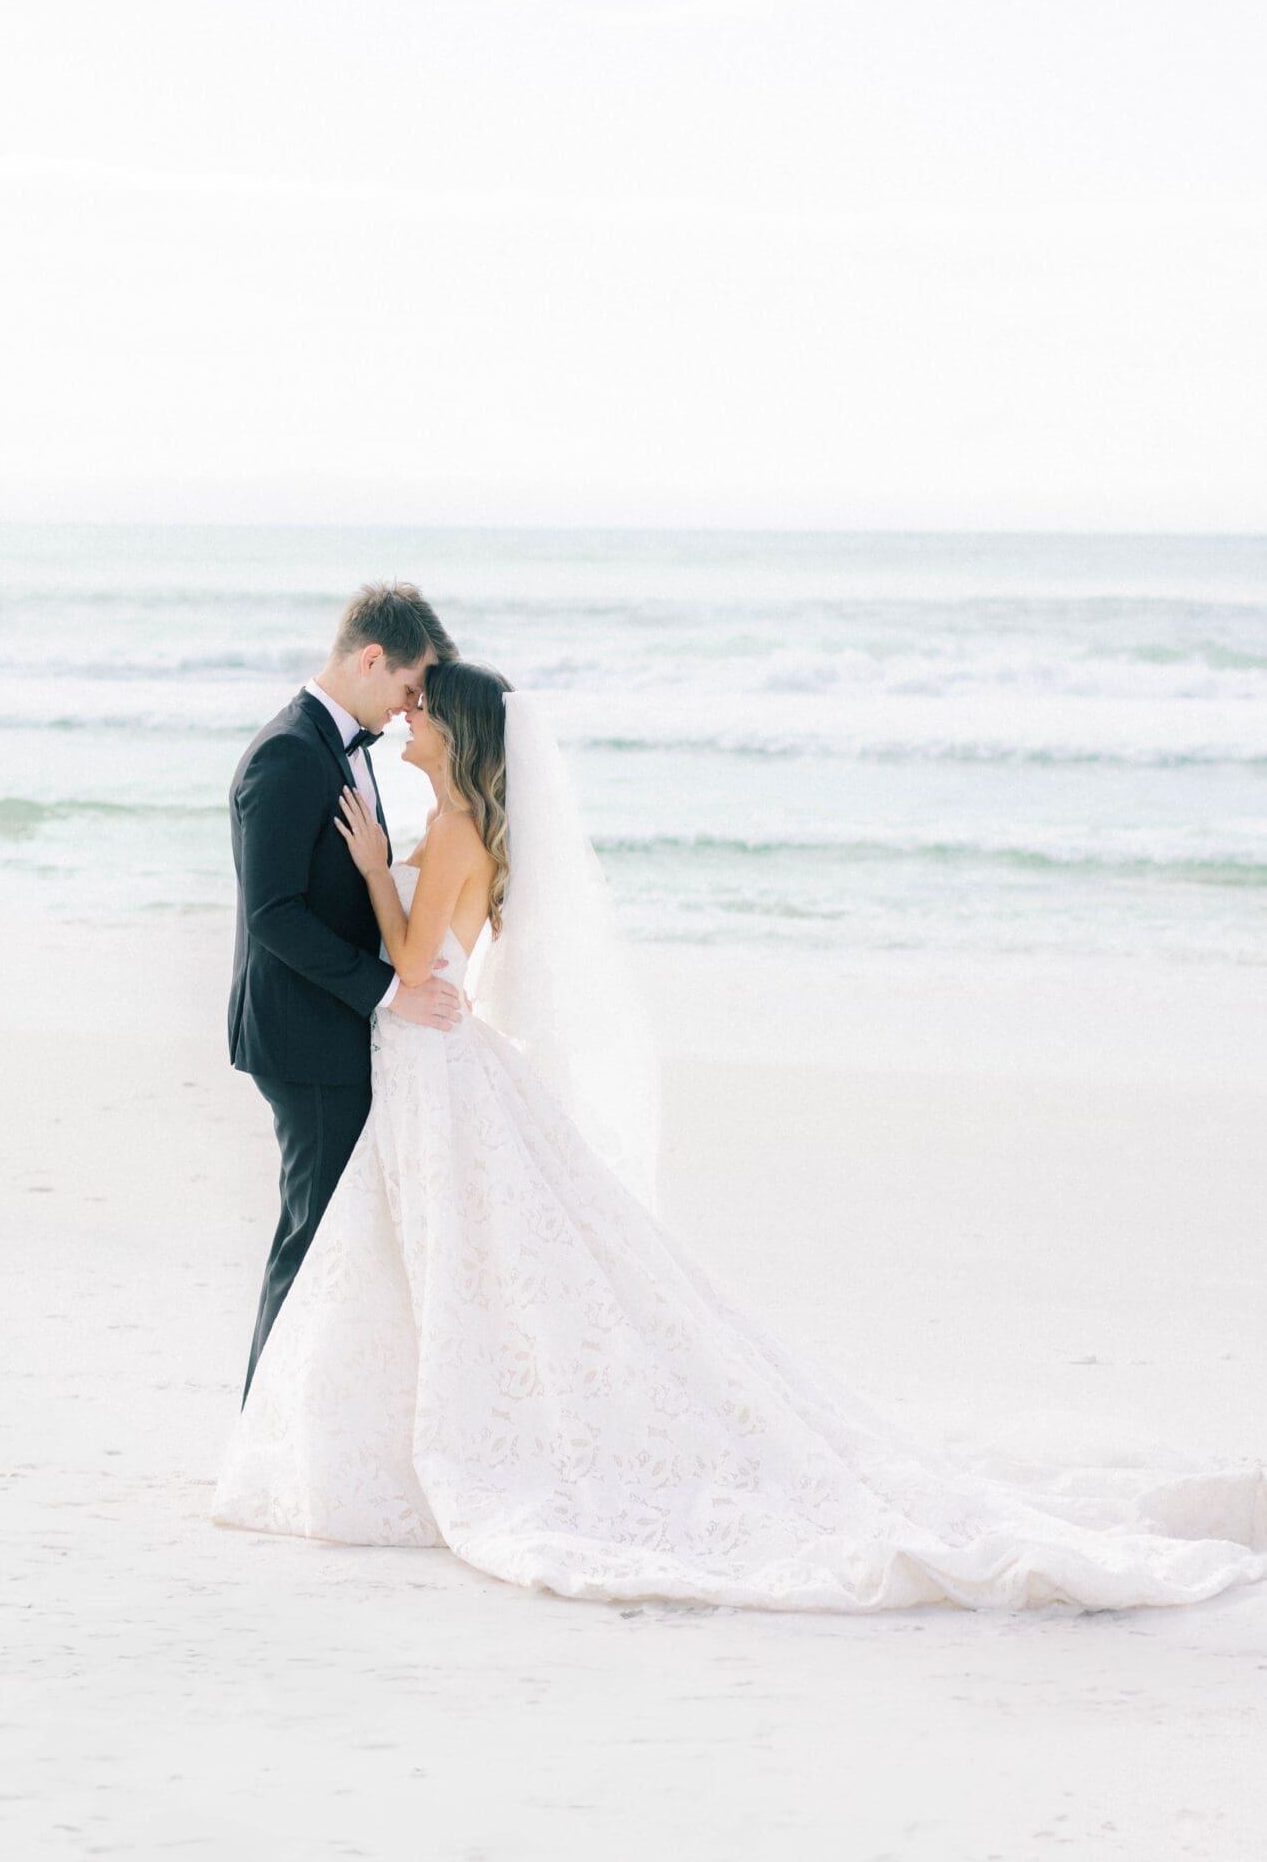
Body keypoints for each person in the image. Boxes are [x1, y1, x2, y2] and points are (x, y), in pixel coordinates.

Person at [214, 659, 1267, 1612]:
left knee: (459, 1258)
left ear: (459, 732)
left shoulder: (446, 833)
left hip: (435, 1058)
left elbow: (411, 968)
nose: (408, 717)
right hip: (448, 1059)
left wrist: (364, 870)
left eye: (423, 710)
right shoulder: (469, 831)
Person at [228, 581, 462, 1408]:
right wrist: (385, 994)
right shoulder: (291, 753)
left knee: (328, 1233)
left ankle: (288, 1419)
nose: (409, 710)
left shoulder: (338, 747)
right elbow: (273, 915)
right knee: (313, 1236)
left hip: (330, 1028)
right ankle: (263, 1423)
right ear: (371, 658)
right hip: (305, 1037)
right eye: (408, 688)